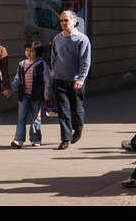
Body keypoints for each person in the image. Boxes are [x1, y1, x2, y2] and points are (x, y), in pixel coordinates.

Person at [47, 10, 91, 150]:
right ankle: (65, 138)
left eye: (66, 20)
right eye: (61, 21)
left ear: (74, 21)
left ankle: (78, 127)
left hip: (75, 81)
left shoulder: (82, 39)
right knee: (63, 110)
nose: (63, 23)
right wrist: (53, 73)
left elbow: (85, 62)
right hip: (59, 80)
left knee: (76, 110)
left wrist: (81, 78)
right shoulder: (57, 39)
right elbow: (53, 58)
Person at [9, 40, 47, 147]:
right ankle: (19, 140)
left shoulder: (41, 64)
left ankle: (35, 139)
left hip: (37, 96)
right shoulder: (22, 64)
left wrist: (47, 93)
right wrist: (10, 90)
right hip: (24, 95)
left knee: (35, 118)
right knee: (21, 117)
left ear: (37, 52)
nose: (29, 53)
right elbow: (17, 80)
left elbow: (47, 79)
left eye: (32, 51)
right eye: (27, 50)